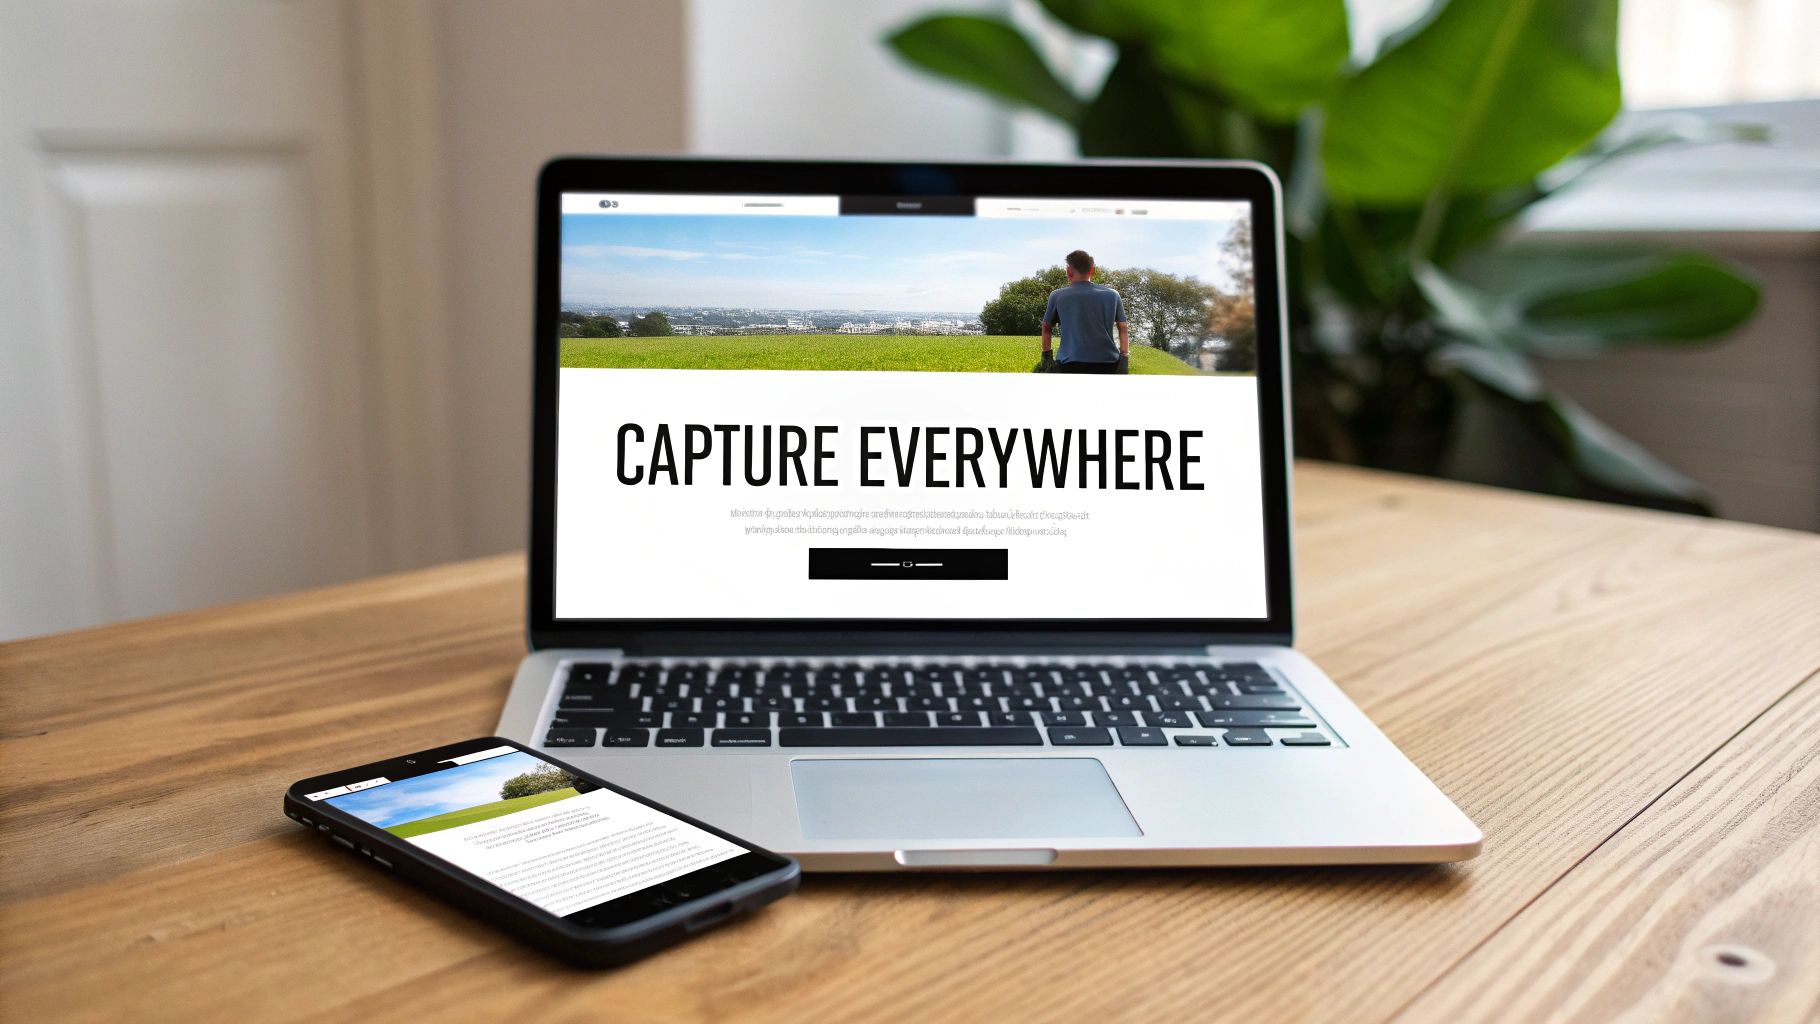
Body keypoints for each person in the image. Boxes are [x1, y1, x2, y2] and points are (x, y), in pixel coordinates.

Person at [1039, 250, 1129, 374]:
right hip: (1108, 363)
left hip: (1069, 364)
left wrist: (1046, 358)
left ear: (1069, 271)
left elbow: (1046, 327)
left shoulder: (1057, 296)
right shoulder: (1113, 295)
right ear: (1092, 270)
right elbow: (1123, 327)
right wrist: (1124, 357)